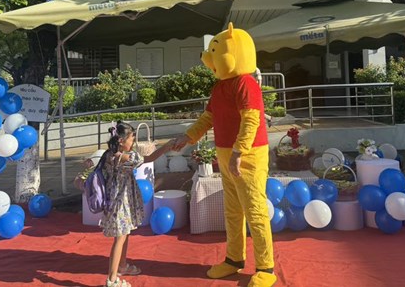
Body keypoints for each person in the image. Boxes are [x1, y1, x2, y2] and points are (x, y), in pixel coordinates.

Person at [172, 23, 276, 287]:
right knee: (232, 211)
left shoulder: (246, 83)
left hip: (248, 156)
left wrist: (239, 152)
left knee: (255, 211)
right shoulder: (220, 87)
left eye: (214, 52)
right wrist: (188, 137)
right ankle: (234, 259)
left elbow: (251, 120)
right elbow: (208, 117)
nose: (207, 58)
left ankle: (266, 267)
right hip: (226, 153)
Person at [101, 121, 172, 287]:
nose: (133, 142)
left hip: (116, 199)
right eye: (132, 139)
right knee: (120, 238)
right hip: (121, 202)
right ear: (121, 141)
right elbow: (150, 158)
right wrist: (166, 147)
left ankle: (122, 265)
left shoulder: (108, 155)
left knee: (124, 234)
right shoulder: (126, 158)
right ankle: (112, 279)